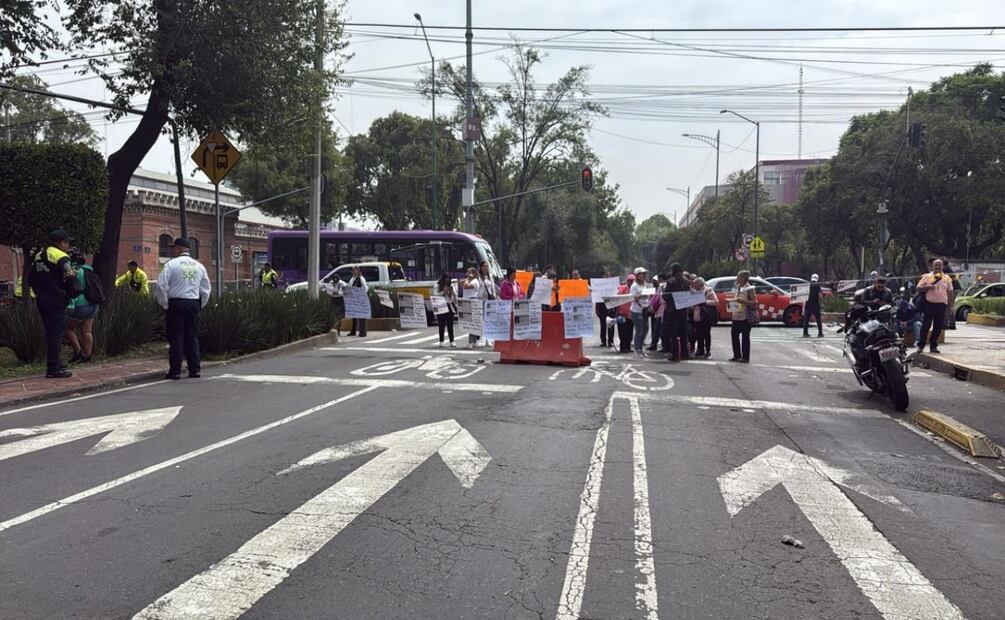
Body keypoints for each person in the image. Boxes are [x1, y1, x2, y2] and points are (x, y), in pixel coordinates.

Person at [155, 237, 211, 380]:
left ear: (179, 249)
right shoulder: (199, 266)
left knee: (176, 337)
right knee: (192, 337)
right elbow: (206, 289)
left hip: (176, 303)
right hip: (193, 303)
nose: (172, 250)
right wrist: (200, 304)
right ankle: (195, 370)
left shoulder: (171, 265)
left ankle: (175, 371)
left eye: (173, 248)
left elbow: (161, 286)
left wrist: (165, 304)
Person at [28, 229, 78, 378]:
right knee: (56, 334)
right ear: (60, 243)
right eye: (66, 242)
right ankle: (53, 368)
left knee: (50, 332)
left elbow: (31, 279)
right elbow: (71, 280)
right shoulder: (61, 257)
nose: (68, 245)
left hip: (42, 300)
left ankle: (55, 362)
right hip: (56, 300)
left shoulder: (39, 256)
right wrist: (71, 292)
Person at [65, 249, 98, 364]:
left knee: (67, 328)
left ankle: (78, 351)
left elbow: (72, 288)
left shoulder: (73, 271)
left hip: (79, 304)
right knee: (87, 331)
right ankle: (88, 355)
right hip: (92, 304)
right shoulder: (89, 269)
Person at [916, 258, 954, 354]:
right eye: (935, 265)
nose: (937, 266)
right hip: (929, 305)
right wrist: (927, 287)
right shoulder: (927, 277)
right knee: (925, 326)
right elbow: (918, 288)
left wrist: (950, 307)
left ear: (943, 266)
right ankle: (920, 346)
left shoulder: (947, 278)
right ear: (932, 266)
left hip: (941, 306)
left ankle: (933, 346)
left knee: (938, 327)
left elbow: (950, 293)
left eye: (939, 265)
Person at [661, 263, 690, 362]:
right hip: (683, 309)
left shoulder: (670, 281)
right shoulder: (686, 281)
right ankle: (684, 353)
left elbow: (666, 296)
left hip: (672, 310)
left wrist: (663, 293)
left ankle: (675, 354)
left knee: (672, 333)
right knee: (683, 332)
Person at [729, 270, 757, 363]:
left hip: (745, 316)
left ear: (743, 278)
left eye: (738, 276)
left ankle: (745, 357)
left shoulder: (749, 288)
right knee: (734, 335)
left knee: (745, 337)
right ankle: (737, 355)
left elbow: (755, 303)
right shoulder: (737, 287)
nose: (736, 278)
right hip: (736, 315)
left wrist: (744, 301)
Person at [692, 277, 717, 358]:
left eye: (695, 284)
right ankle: (700, 350)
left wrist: (705, 302)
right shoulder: (694, 292)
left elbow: (716, 302)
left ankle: (708, 351)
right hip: (696, 316)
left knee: (706, 334)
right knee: (698, 334)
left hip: (706, 316)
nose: (694, 285)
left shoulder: (708, 290)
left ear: (699, 284)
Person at [630, 267, 650, 358]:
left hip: (645, 310)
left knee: (645, 329)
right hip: (636, 311)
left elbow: (648, 295)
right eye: (642, 274)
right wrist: (642, 295)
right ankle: (637, 349)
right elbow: (633, 298)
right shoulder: (634, 286)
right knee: (639, 331)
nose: (644, 275)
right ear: (637, 275)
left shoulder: (644, 284)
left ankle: (641, 348)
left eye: (644, 274)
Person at [435, 272, 457, 348]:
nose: (447, 282)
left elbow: (455, 296)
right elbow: (435, 295)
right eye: (446, 280)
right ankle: (441, 341)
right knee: (441, 325)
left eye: (448, 280)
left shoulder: (451, 286)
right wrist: (443, 291)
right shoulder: (437, 286)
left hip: (449, 305)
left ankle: (452, 341)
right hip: (441, 306)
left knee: (450, 325)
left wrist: (452, 291)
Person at [594, 269, 615, 348]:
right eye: (605, 275)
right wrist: (597, 310)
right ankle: (603, 341)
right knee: (603, 325)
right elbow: (596, 297)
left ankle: (611, 341)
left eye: (608, 275)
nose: (607, 277)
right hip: (602, 307)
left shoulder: (613, 285)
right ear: (602, 276)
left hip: (611, 307)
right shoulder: (598, 285)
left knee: (611, 325)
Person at [461, 267, 482, 348]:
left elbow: (465, 286)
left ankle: (471, 342)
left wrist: (467, 279)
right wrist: (467, 279)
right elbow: (460, 282)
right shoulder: (469, 280)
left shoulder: (475, 281)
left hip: (472, 301)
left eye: (469, 272)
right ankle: (473, 342)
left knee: (471, 323)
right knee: (470, 322)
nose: (467, 273)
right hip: (467, 301)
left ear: (473, 274)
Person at [347, 265, 369, 337]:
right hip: (353, 299)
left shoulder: (361, 279)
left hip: (359, 299)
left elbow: (366, 288)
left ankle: (361, 331)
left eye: (354, 270)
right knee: (354, 316)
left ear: (358, 270)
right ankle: (353, 331)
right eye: (352, 270)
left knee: (360, 315)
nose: (353, 271)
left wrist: (361, 294)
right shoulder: (352, 279)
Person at [616, 274, 635, 353]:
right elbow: (618, 295)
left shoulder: (635, 289)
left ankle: (628, 346)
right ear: (627, 281)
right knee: (622, 332)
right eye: (630, 281)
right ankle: (622, 347)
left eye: (633, 281)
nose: (631, 282)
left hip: (631, 314)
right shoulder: (623, 288)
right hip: (622, 314)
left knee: (630, 331)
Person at [802, 274, 824, 338]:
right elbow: (820, 295)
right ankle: (820, 333)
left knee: (806, 320)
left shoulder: (808, 285)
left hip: (808, 305)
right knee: (818, 320)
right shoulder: (817, 285)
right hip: (815, 306)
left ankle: (805, 333)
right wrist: (822, 303)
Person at [648, 276, 663, 351]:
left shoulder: (661, 288)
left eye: (655, 280)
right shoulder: (653, 290)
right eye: (653, 280)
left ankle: (656, 344)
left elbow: (658, 300)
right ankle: (654, 344)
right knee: (655, 328)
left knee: (658, 329)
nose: (654, 282)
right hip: (654, 311)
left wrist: (653, 307)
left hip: (659, 311)